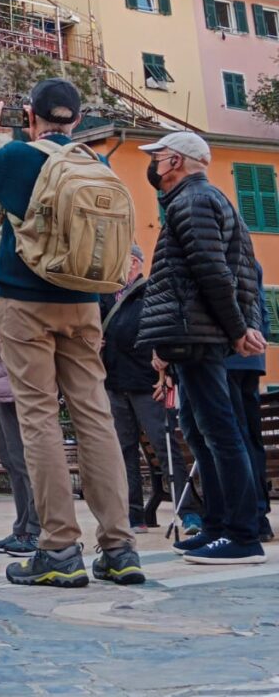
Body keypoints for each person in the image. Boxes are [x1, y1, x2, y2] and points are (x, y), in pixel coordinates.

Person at [0, 80, 144, 588]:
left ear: (30, 114)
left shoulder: (17, 158)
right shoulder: (97, 165)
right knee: (96, 417)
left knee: (39, 418)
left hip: (25, 303)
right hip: (85, 305)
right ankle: (120, 547)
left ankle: (59, 548)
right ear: (78, 118)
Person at [137, 131, 267, 564]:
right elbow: (241, 267)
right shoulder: (204, 200)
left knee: (220, 431)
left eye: (156, 158)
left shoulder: (193, 203)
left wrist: (236, 330)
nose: (152, 166)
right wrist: (240, 324)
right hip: (196, 334)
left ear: (174, 161)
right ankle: (216, 526)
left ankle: (242, 535)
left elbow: (213, 270)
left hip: (199, 334)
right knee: (199, 428)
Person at [101, 244, 200, 536]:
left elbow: (163, 332)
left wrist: (166, 373)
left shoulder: (150, 292)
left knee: (164, 445)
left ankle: (189, 511)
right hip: (114, 382)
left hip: (148, 383)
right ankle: (134, 514)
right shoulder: (105, 296)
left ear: (132, 262)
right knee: (124, 449)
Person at [0, 229, 40, 557]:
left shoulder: (12, 292)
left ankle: (34, 529)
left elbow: (10, 339)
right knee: (12, 461)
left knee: (23, 461)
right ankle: (22, 526)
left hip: (13, 387)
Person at [224, 262, 272, 542]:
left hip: (228, 356)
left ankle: (248, 517)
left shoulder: (222, 256)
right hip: (252, 358)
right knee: (252, 439)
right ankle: (259, 515)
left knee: (236, 437)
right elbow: (262, 309)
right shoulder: (252, 262)